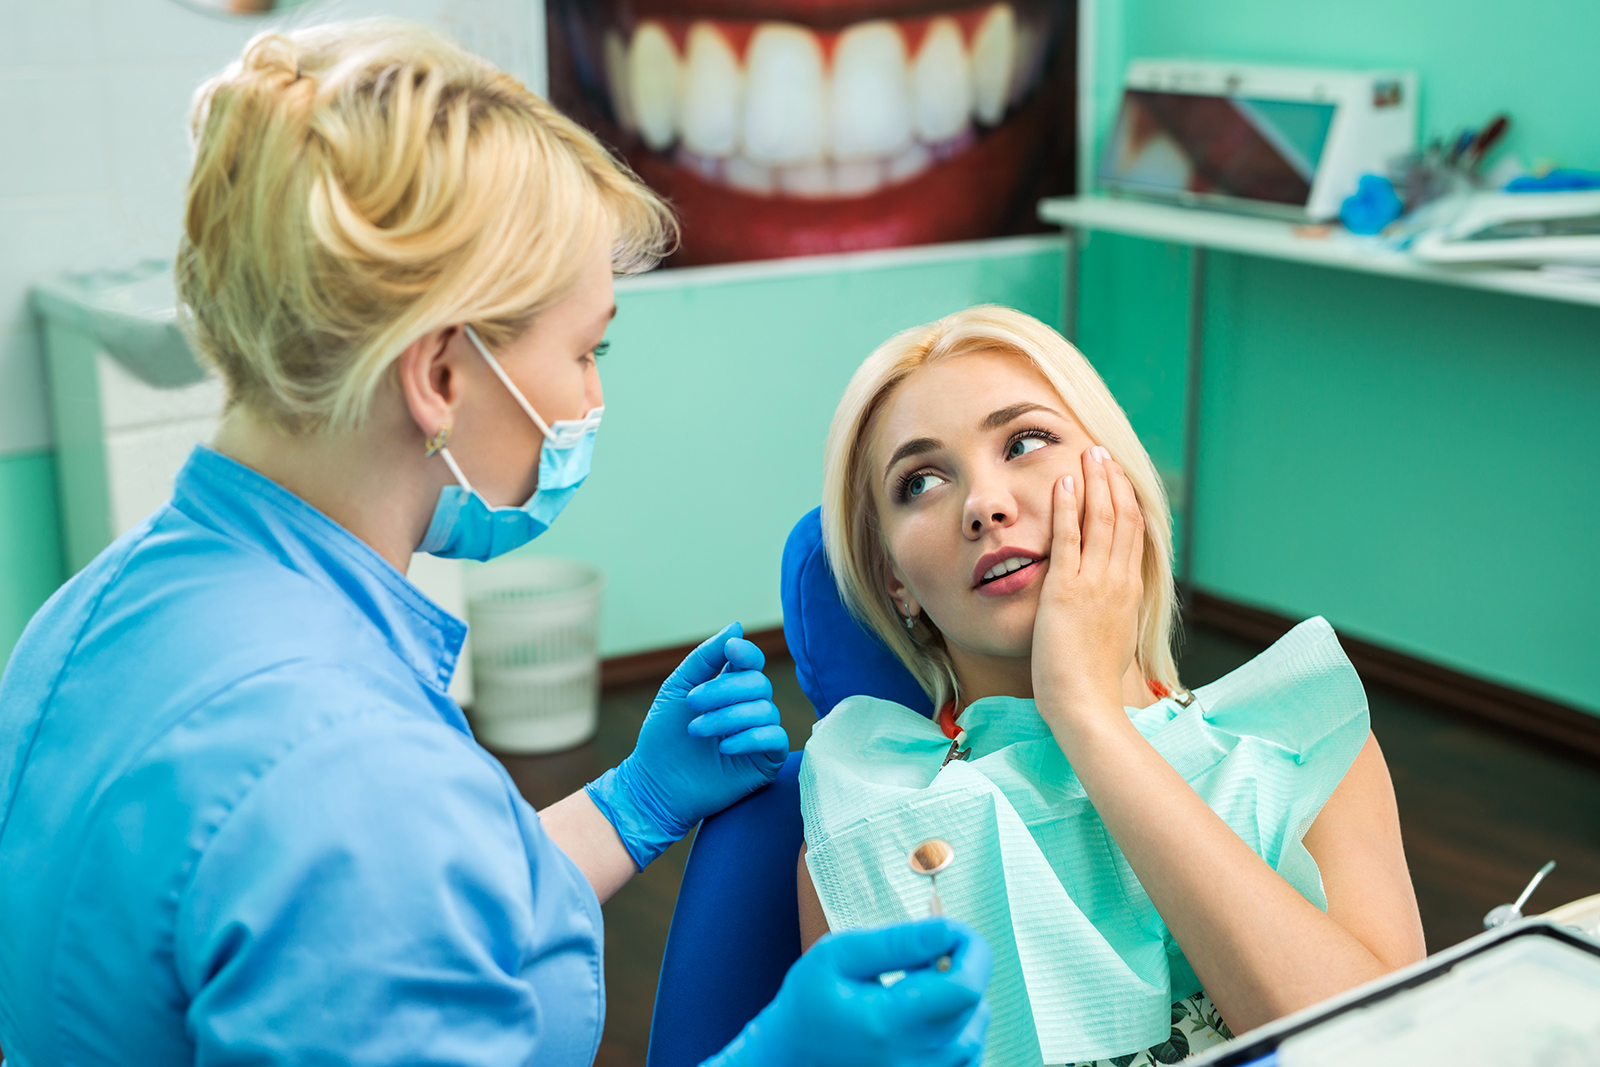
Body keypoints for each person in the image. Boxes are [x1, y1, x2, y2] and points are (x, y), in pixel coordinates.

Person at [0, 21, 991, 1067]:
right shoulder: (350, 775)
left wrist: (634, 800)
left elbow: (394, 923)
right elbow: (371, 864)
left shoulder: (94, 612)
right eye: (584, 348)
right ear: (438, 375)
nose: (591, 396)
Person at [795, 306, 1427, 1066]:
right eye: (921, 481)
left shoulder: (1307, 746)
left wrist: (1087, 716)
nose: (984, 505)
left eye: (1024, 441)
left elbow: (1387, 1048)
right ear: (895, 581)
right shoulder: (869, 834)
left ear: (1117, 480)